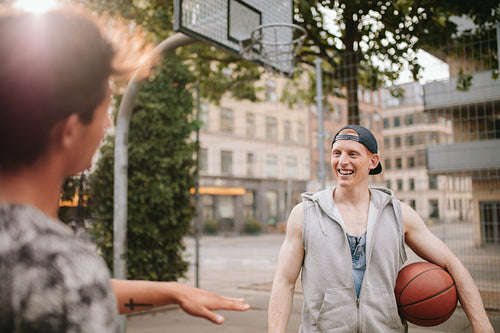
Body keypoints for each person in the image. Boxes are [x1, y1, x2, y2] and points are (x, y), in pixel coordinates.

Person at [0, 7, 249, 332]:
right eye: (104, 111)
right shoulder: (62, 268)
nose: (107, 124)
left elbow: (47, 291)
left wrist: (171, 291)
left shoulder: (45, 268)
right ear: (69, 130)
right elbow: (65, 287)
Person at [268, 125, 494, 332]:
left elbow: (453, 264)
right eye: (336, 153)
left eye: (352, 154)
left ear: (373, 161)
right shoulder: (305, 213)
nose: (342, 161)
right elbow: (284, 282)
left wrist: (482, 325)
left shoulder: (399, 214)